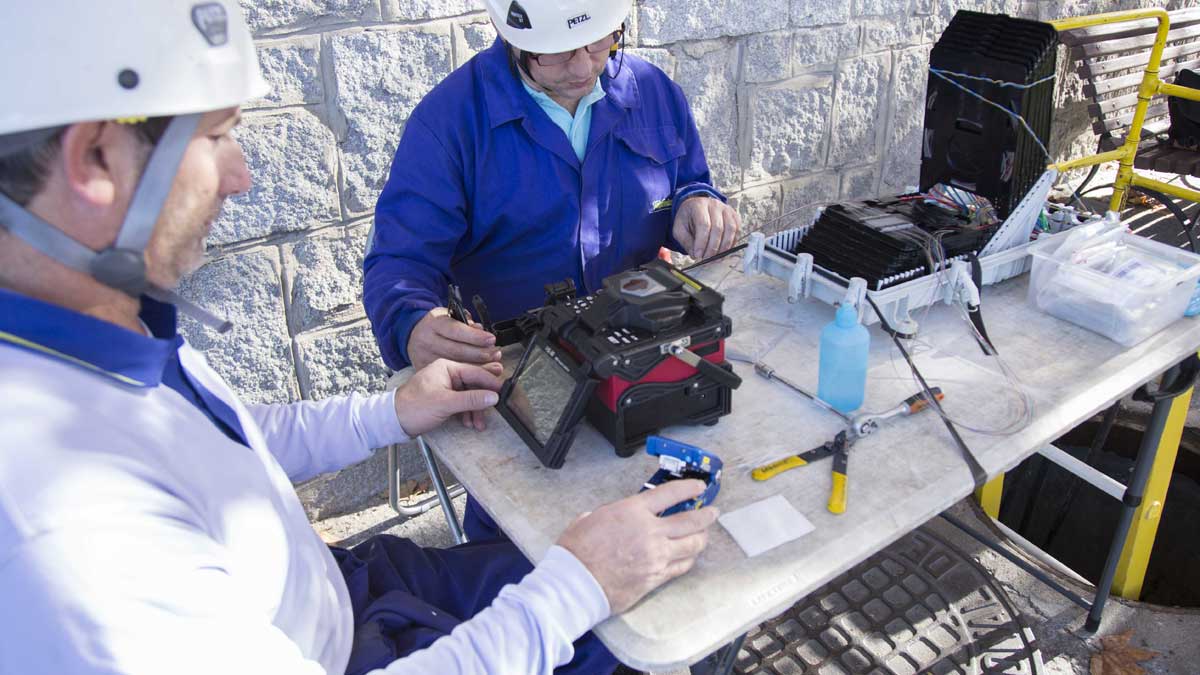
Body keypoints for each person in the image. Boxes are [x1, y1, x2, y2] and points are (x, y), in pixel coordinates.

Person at [0, 3, 719, 674]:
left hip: (354, 586)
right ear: (94, 158)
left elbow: (227, 443)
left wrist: (391, 412)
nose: (242, 176)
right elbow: (400, 267)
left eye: (600, 40)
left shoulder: (104, 333)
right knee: (640, 630)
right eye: (217, 136)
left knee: (666, 590)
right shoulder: (65, 530)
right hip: (363, 641)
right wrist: (577, 584)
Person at [363, 0, 742, 375]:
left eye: (598, 41)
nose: (584, 66)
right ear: (511, 37)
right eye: (558, 51)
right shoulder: (449, 122)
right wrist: (410, 324)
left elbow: (687, 183)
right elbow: (401, 259)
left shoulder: (654, 91)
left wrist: (694, 202)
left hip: (641, 341)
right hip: (517, 365)